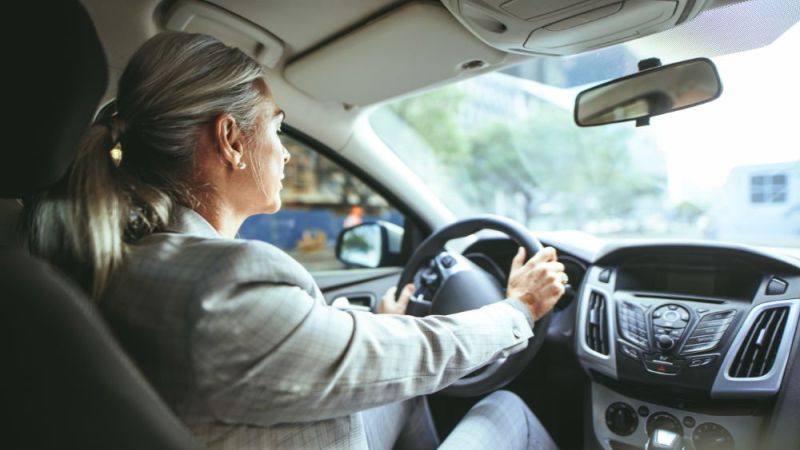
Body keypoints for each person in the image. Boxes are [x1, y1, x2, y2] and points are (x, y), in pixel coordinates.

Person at [24, 33, 567, 449]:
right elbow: (417, 352)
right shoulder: (222, 285)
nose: (285, 154)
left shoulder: (121, 259)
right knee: (508, 415)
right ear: (231, 140)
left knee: (406, 395)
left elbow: (314, 349)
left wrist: (376, 323)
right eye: (276, 129)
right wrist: (519, 308)